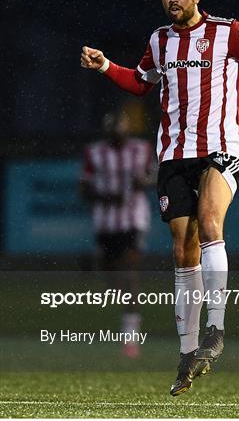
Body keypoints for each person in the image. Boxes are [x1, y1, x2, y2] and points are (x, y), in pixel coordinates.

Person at [80, 0, 239, 394]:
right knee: (181, 249)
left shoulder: (229, 32)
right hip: (173, 154)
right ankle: (188, 353)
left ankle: (216, 328)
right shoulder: (159, 41)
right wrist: (104, 66)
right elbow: (140, 83)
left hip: (220, 148)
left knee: (210, 221)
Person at [80, 110, 156, 358]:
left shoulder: (141, 148)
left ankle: (130, 338)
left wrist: (143, 182)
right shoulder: (95, 153)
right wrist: (104, 196)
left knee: (129, 273)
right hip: (106, 222)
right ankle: (127, 320)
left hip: (133, 219)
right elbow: (84, 189)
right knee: (113, 279)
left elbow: (154, 176)